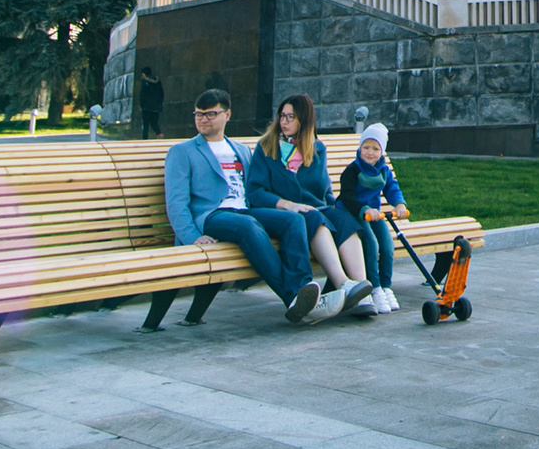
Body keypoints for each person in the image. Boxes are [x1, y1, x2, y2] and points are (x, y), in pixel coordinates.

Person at [164, 89, 322, 325]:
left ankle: (303, 289)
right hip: (212, 216)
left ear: (227, 115)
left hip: (245, 212)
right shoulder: (182, 152)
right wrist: (192, 237)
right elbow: (176, 202)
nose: (202, 119)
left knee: (293, 219)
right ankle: (292, 298)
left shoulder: (241, 150)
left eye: (210, 114)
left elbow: (254, 191)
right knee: (247, 225)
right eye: (198, 114)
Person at [253, 95, 376, 318]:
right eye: (282, 116)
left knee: (344, 220)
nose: (284, 122)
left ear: (305, 120)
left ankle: (361, 291)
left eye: (291, 117)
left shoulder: (316, 149)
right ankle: (343, 283)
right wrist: (287, 204)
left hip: (314, 208)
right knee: (313, 217)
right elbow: (255, 191)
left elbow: (324, 190)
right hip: (280, 212)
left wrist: (337, 210)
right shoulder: (266, 147)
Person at [339, 122, 409, 313]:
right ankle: (375, 287)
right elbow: (347, 196)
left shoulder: (383, 171)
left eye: (375, 148)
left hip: (374, 214)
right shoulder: (352, 171)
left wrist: (399, 204)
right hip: (354, 213)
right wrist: (364, 209)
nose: (370, 152)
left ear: (382, 151)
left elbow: (392, 188)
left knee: (387, 245)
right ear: (360, 148)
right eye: (366, 147)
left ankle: (386, 286)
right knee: (371, 244)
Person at [137, 67, 166, 139]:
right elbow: (162, 93)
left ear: (144, 74)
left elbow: (142, 93)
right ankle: (159, 133)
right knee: (154, 122)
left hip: (146, 106)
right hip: (156, 105)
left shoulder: (145, 81)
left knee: (145, 123)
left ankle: (145, 138)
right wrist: (159, 103)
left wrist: (141, 104)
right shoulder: (157, 81)